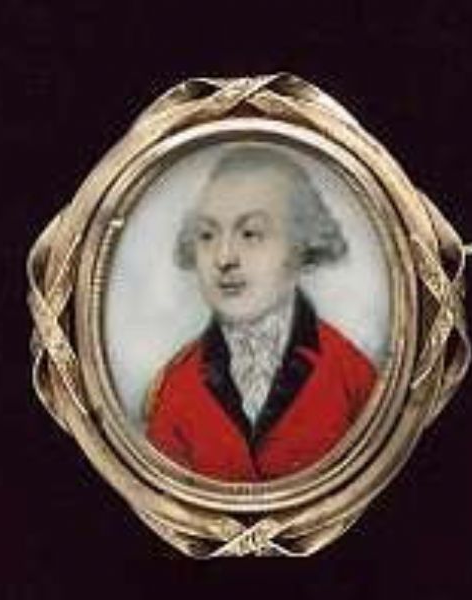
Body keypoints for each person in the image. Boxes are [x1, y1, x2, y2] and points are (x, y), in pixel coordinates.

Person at [145, 145, 376, 481]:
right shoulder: (176, 386)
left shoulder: (351, 375)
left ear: (301, 246)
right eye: (207, 235)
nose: (224, 258)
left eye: (250, 233)